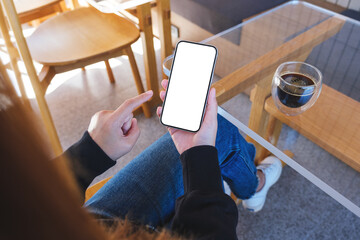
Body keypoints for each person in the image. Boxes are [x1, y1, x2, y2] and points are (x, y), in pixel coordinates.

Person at [0, 73, 282, 239]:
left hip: (85, 226)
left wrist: (91, 152)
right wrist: (201, 172)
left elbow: (25, 205)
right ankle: (252, 186)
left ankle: (248, 183)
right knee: (214, 136)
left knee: (213, 134)